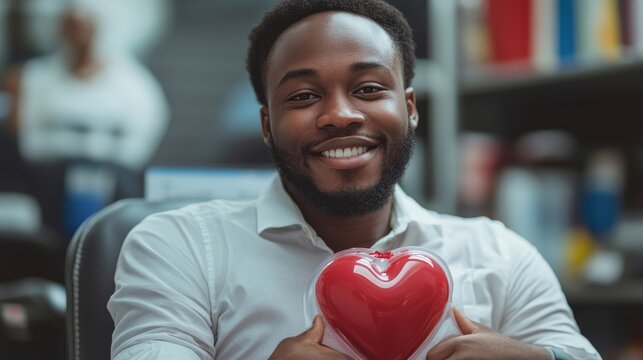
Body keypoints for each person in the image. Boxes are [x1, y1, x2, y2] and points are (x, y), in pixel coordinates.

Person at [108, 0, 601, 359]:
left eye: (368, 89)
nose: (340, 115)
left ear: (409, 109)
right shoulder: (180, 247)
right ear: (266, 126)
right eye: (303, 97)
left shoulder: (500, 253)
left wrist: (538, 359)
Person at [5, 4, 168, 172]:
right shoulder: (36, 77)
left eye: (86, 28)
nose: (79, 38)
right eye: (72, 29)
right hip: (48, 178)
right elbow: (29, 140)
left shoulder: (135, 85)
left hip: (113, 177)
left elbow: (138, 144)